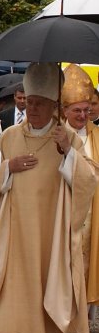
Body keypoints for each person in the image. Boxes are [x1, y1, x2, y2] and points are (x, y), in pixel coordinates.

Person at [0, 63, 96, 333]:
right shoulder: (8, 136)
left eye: (40, 104)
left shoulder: (67, 137)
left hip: (50, 229)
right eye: (29, 101)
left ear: (53, 107)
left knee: (44, 284)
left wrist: (66, 154)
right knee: (9, 286)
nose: (32, 108)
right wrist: (8, 168)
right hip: (14, 227)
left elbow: (89, 180)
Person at [61, 65, 99, 317]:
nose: (83, 115)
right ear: (64, 110)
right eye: (77, 110)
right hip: (64, 209)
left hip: (91, 210)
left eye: (87, 110)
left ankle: (83, 313)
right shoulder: (57, 135)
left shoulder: (97, 136)